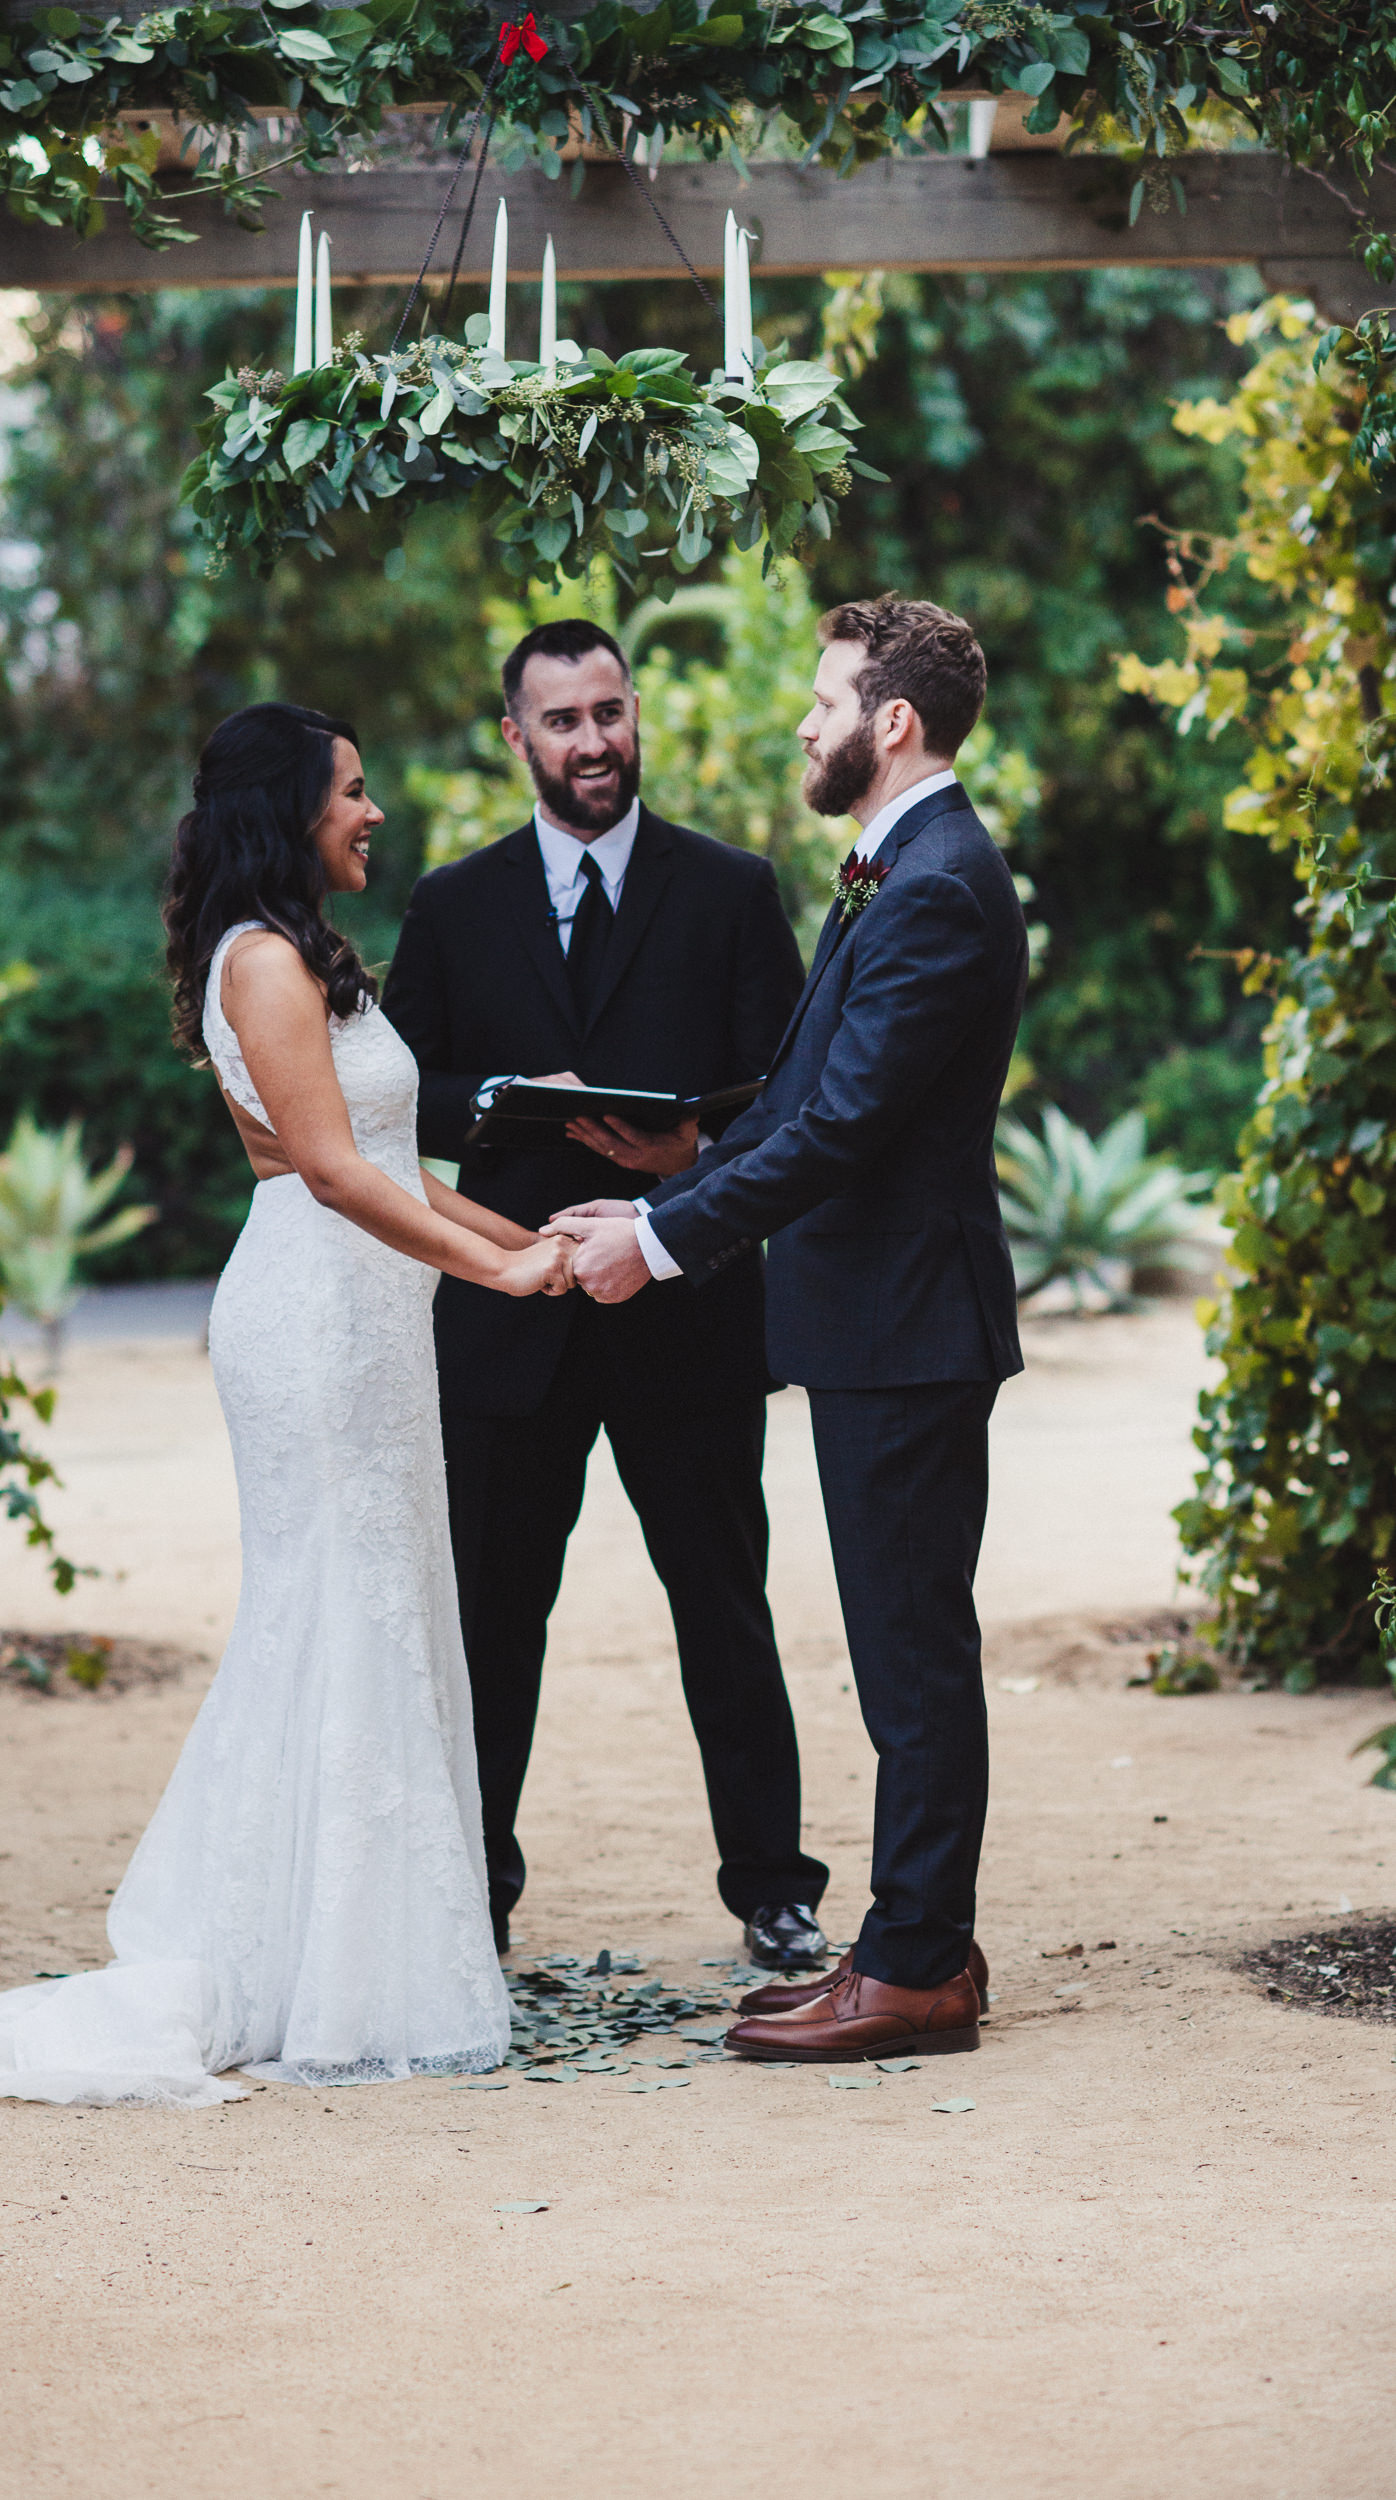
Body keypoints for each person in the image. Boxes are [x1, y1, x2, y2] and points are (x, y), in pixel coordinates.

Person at [0, 702, 572, 2108]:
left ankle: (354, 1954)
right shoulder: (265, 964)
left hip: (369, 1315)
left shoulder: (303, 957)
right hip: (314, 1320)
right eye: (353, 792)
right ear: (290, 812)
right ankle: (327, 1973)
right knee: (340, 1610)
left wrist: (522, 1245)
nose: (374, 813)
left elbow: (391, 1163)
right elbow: (336, 1177)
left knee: (385, 1602)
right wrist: (501, 1275)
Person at [547, 597, 1027, 2064]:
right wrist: (692, 1147)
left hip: (909, 1325)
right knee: (899, 1646)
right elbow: (815, 1092)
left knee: (911, 1654)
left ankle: (921, 1970)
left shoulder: (937, 882)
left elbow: (856, 1127)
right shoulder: (904, 866)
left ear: (894, 722)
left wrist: (665, 1239)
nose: (806, 724)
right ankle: (904, 1944)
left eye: (827, 701)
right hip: (882, 1323)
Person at [383, 618, 831, 1970]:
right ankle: (476, 1884)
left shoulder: (730, 888)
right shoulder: (452, 905)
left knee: (723, 1604)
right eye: (564, 721)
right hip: (506, 1318)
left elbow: (798, 1092)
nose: (594, 742)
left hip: (686, 1312)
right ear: (515, 739)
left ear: (638, 716)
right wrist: (513, 1104)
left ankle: (774, 1887)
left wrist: (694, 1153)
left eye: (611, 712)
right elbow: (397, 1090)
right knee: (491, 1616)